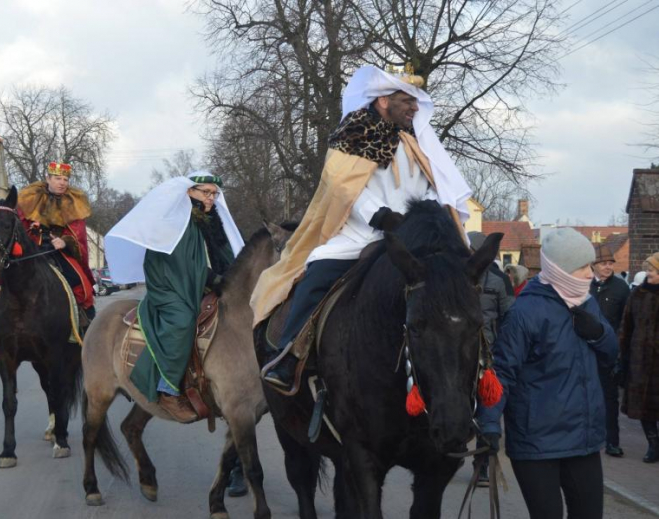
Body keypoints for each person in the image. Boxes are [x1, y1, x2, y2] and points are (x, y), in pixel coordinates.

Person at [250, 64, 473, 389]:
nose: (415, 107)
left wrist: (426, 212)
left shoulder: (413, 142)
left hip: (413, 239)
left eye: (416, 101)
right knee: (318, 271)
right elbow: (342, 186)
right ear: (383, 101)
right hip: (360, 235)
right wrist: (380, 216)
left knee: (465, 278)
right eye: (407, 100)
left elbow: (431, 184)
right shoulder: (351, 136)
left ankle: (477, 363)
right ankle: (290, 355)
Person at [476, 228, 618, 519]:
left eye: (591, 266)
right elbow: (502, 372)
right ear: (561, 271)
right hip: (536, 443)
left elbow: (612, 353)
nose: (590, 273)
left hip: (583, 439)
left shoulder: (587, 302)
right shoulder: (525, 312)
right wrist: (489, 423)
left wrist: (599, 333)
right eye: (583, 267)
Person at [104, 172, 244, 423]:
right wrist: (212, 279)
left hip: (196, 282)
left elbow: (220, 255)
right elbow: (181, 264)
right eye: (206, 192)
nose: (211, 198)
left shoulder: (207, 220)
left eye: (214, 194)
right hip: (169, 285)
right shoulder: (172, 220)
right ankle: (167, 390)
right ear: (190, 192)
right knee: (182, 320)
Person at [0, 162, 97, 339]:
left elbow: (77, 234)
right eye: (58, 178)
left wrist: (65, 242)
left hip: (56, 250)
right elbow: (15, 225)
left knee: (77, 279)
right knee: (0, 276)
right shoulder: (30, 197)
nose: (62, 183)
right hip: (29, 248)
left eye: (65, 179)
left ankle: (81, 317)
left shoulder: (74, 202)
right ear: (48, 178)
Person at [467, 231, 514, 486]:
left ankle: (482, 463)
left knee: (488, 408)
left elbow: (509, 317)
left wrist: (502, 351)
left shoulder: (498, 281)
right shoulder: (456, 276)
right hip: (460, 354)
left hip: (487, 355)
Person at [590, 243, 631, 457]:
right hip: (585, 351)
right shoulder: (584, 285)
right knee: (584, 396)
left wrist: (620, 353)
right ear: (593, 266)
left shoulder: (620, 288)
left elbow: (626, 321)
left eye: (610, 263)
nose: (607, 267)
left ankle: (612, 441)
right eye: (603, 263)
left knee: (609, 398)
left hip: (609, 353)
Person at [619, 253, 659, 463]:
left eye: (652, 270)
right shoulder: (637, 295)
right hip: (640, 360)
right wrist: (623, 353)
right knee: (644, 407)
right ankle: (653, 445)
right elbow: (627, 325)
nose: (648, 273)